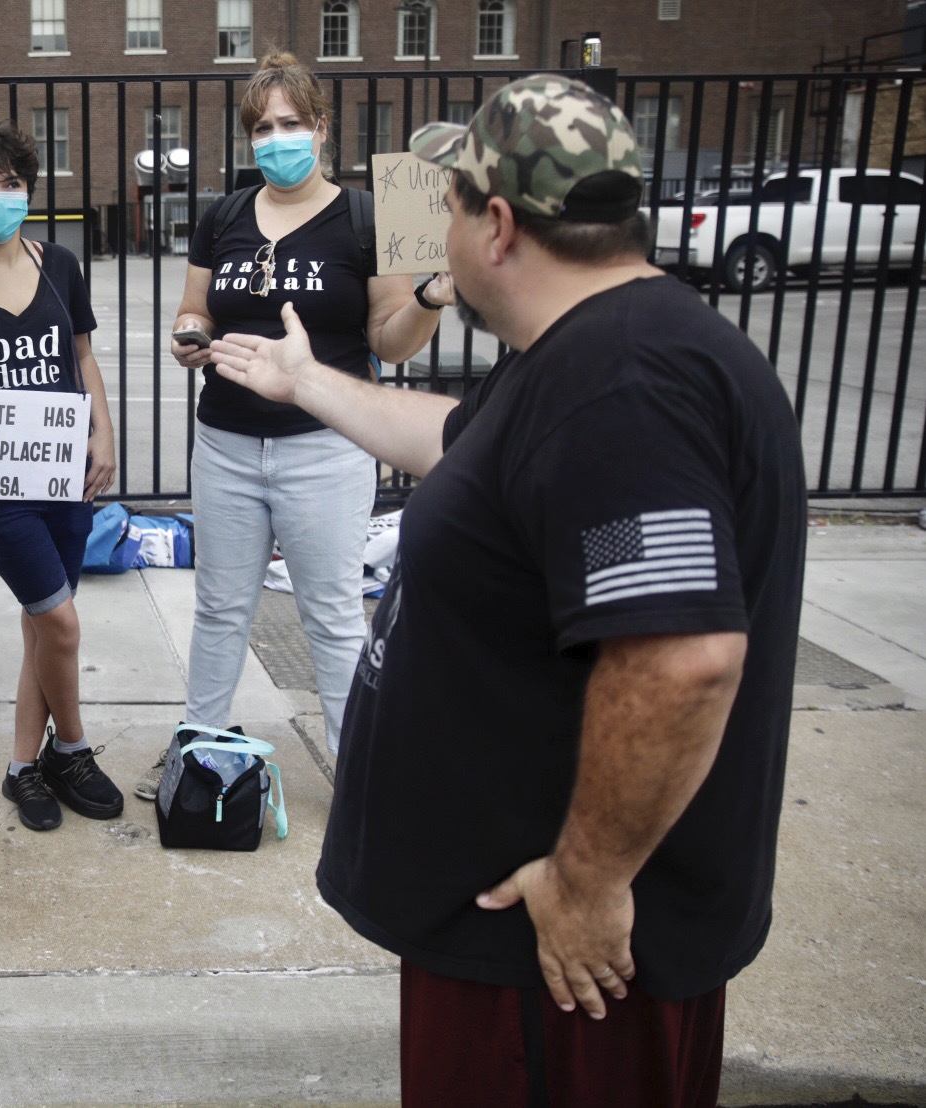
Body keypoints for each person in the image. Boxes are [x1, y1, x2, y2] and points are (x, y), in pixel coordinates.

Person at [209, 75, 806, 1105]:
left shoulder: (625, 389)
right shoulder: (578, 355)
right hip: (509, 946)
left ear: (493, 223)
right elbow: (459, 445)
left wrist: (587, 882)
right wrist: (307, 382)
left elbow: (680, 657)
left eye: (442, 207)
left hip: (560, 974)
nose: (434, 234)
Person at [135, 50, 452, 800]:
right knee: (219, 607)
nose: (275, 139)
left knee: (333, 615)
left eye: (289, 124)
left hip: (326, 447)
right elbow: (197, 308)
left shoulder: (367, 215)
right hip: (226, 443)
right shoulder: (224, 216)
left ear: (319, 128)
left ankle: (358, 771)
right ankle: (197, 749)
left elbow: (388, 340)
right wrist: (186, 333)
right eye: (262, 128)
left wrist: (432, 299)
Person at [0, 123, 122, 831]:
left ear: (29, 191)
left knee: (40, 630)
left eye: (10, 183)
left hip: (65, 476)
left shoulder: (61, 264)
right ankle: (71, 749)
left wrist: (101, 433)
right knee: (63, 624)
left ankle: (23, 767)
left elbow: (80, 358)